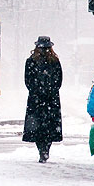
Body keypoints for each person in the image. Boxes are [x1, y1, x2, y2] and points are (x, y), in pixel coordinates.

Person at [22, 35, 63, 163]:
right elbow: (59, 81)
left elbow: (28, 81)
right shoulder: (55, 61)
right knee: (49, 128)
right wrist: (50, 90)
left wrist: (36, 91)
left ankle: (42, 150)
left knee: (37, 128)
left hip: (36, 100)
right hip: (51, 99)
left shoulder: (31, 61)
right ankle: (45, 150)